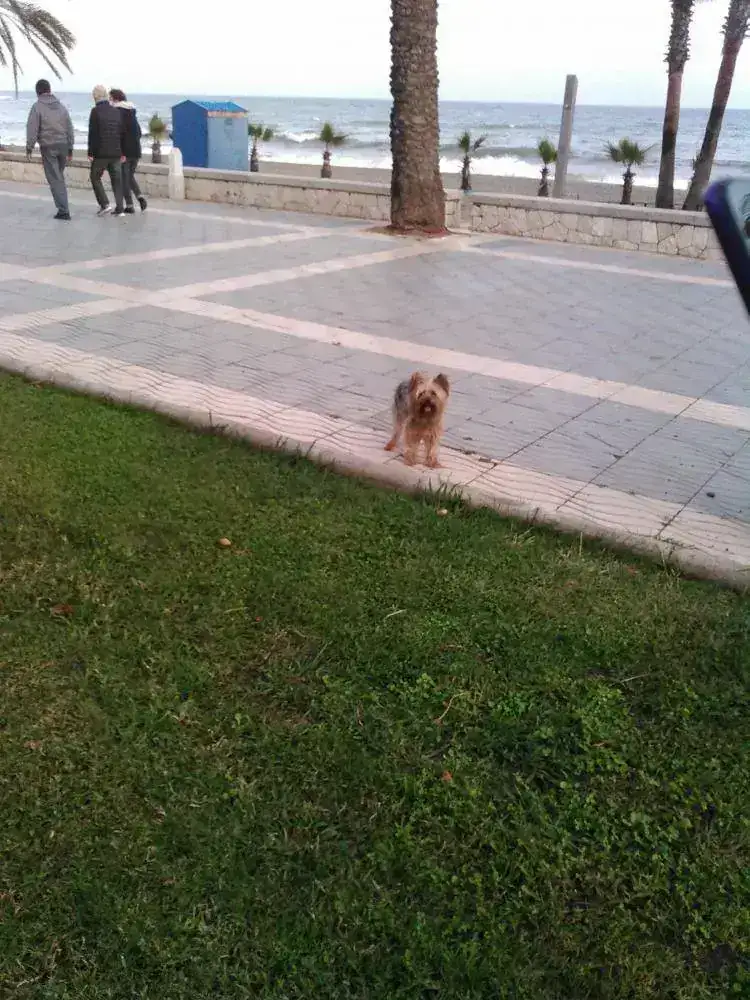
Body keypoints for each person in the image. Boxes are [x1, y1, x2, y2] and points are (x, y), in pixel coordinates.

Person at [25, 79, 75, 221]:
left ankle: (64, 211)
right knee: (58, 177)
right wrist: (70, 148)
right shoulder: (61, 107)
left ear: (37, 92)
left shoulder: (37, 107)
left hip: (48, 147)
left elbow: (32, 128)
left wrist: (29, 147)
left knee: (55, 179)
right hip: (63, 146)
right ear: (49, 90)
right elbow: (69, 128)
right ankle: (63, 208)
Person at [87, 84, 126, 217]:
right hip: (116, 151)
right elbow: (121, 132)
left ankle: (104, 204)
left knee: (95, 176)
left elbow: (93, 134)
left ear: (95, 97)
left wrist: (90, 152)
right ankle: (120, 209)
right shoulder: (116, 111)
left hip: (101, 152)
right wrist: (123, 151)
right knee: (117, 180)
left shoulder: (95, 111)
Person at [109, 89, 147, 213]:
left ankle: (130, 205)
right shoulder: (132, 112)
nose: (109, 101)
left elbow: (119, 133)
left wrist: (121, 152)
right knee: (129, 176)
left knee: (124, 179)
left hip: (125, 152)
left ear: (115, 99)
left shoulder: (117, 112)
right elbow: (139, 132)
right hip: (136, 150)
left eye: (110, 98)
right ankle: (140, 196)